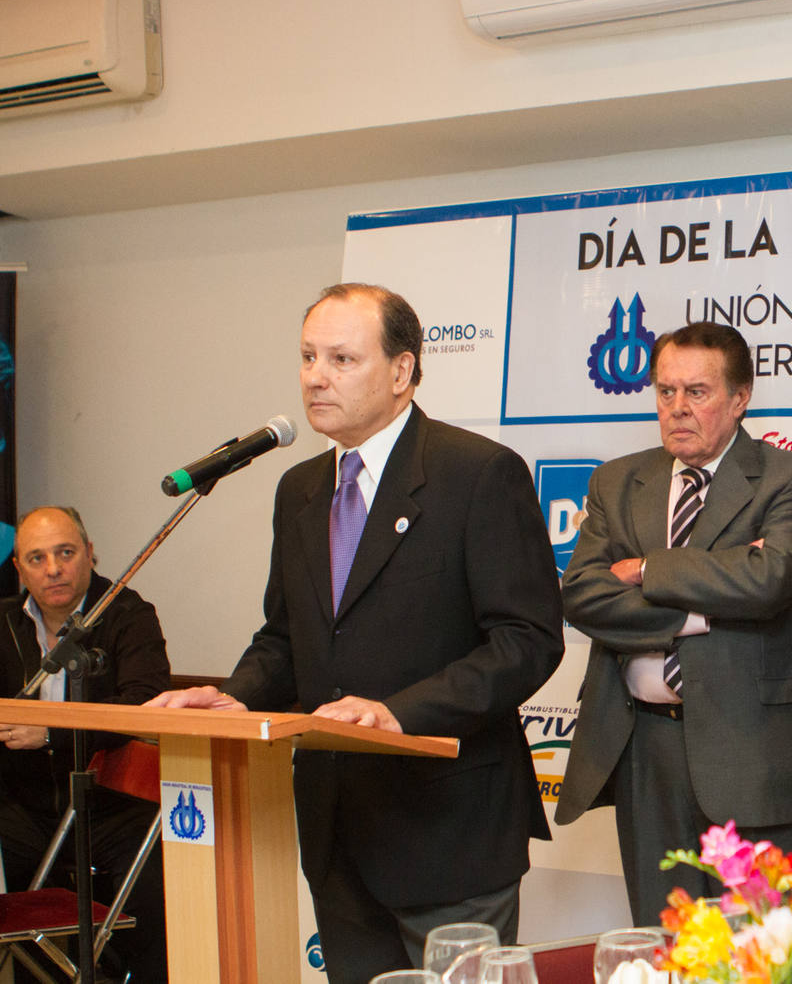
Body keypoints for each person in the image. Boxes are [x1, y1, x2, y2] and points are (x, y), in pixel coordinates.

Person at [148, 283, 564, 984]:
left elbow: (527, 640)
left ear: (401, 372)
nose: (315, 376)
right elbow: (285, 637)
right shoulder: (301, 489)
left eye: (342, 358)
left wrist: (399, 711)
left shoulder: (477, 474)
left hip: (448, 827)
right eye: (309, 356)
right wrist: (238, 699)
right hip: (336, 827)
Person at [554, 321, 792, 925]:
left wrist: (648, 568)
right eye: (665, 392)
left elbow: (770, 579)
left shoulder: (789, 477)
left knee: (762, 950)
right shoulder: (619, 480)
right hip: (642, 747)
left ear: (739, 398)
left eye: (696, 393)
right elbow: (583, 595)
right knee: (664, 942)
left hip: (749, 748)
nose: (677, 408)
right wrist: (706, 607)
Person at [0, 506, 170, 982]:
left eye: (65, 553)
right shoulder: (4, 622)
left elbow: (141, 703)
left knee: (154, 870)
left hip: (109, 804)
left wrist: (53, 735)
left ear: (90, 554)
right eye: (36, 558)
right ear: (19, 568)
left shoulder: (127, 614)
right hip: (23, 805)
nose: (52, 568)